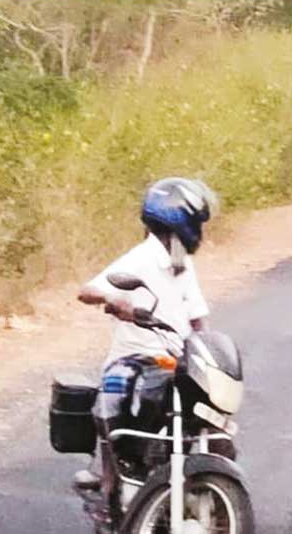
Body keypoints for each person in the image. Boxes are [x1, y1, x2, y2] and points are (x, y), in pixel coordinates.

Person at [72, 176, 217, 525]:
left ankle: (214, 481)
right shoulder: (141, 258)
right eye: (196, 220)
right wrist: (113, 298)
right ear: (180, 219)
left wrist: (210, 355)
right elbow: (87, 290)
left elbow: (198, 317)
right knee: (110, 407)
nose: (200, 228)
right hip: (134, 360)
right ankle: (109, 485)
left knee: (216, 424)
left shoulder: (181, 261)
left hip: (176, 360)